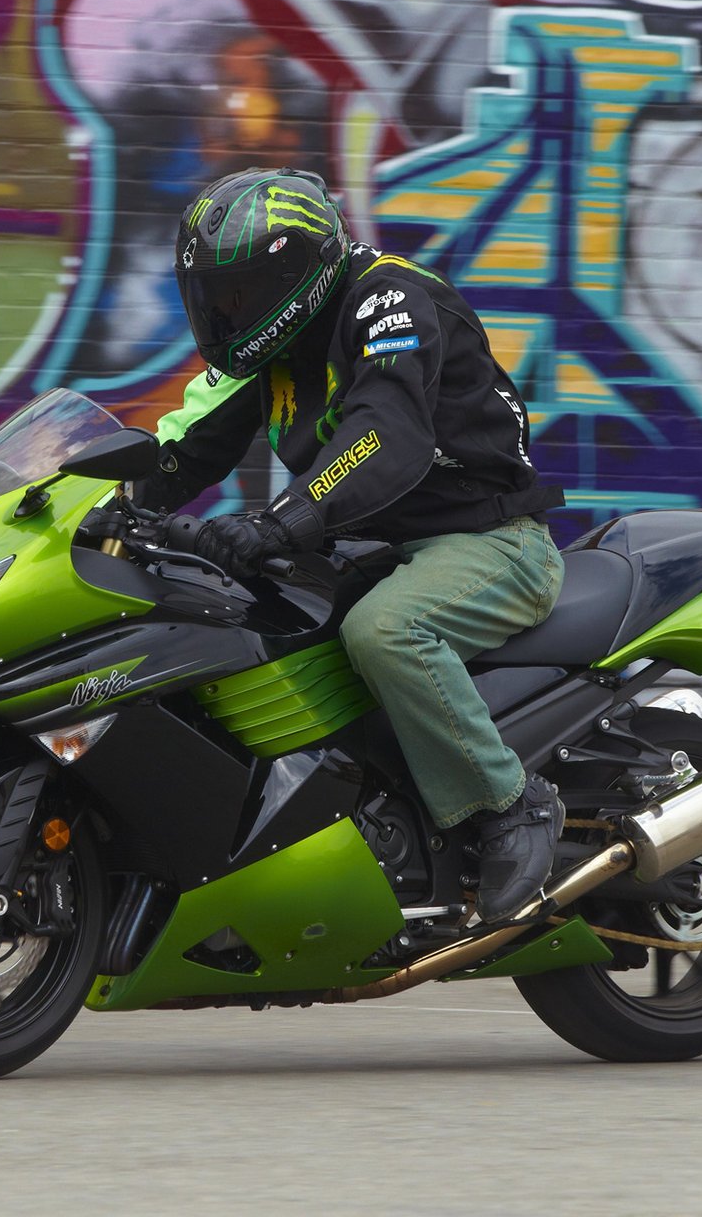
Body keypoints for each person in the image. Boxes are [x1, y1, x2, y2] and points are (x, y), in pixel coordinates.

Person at [133, 167, 567, 921]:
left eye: (238, 294)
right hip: (373, 550)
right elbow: (185, 445)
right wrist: (100, 504)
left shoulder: (389, 299)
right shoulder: (269, 342)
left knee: (384, 631)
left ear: (293, 276)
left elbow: (387, 432)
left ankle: (510, 803)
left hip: (489, 539)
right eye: (213, 297)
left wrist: (282, 521)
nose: (224, 313)